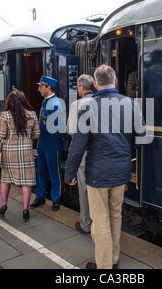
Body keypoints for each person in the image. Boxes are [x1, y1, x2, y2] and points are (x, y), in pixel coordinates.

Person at [64, 65, 146, 269]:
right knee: (115, 214)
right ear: (116, 81)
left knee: (100, 220)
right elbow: (142, 136)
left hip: (97, 173)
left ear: (95, 84)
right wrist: (125, 147)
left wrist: (70, 173)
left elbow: (78, 145)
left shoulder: (87, 106)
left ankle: (104, 266)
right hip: (122, 171)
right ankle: (114, 258)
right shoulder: (131, 104)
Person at [0, 90, 39, 222]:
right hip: (26, 152)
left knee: (6, 179)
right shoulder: (32, 115)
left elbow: (1, 136)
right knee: (27, 181)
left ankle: (3, 204)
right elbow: (37, 134)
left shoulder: (5, 116)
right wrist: (27, 138)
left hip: (9, 152)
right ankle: (25, 209)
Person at [31, 75, 66, 211]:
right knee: (41, 171)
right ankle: (40, 197)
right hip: (43, 142)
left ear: (48, 87)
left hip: (52, 143)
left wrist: (56, 140)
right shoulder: (46, 101)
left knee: (54, 172)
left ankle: (55, 199)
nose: (38, 89)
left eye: (41, 86)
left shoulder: (55, 103)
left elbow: (61, 128)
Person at [67, 74, 95, 235]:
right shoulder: (102, 102)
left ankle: (86, 223)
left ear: (82, 88)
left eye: (78, 86)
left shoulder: (77, 104)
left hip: (83, 151)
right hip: (99, 151)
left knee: (84, 187)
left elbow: (71, 131)